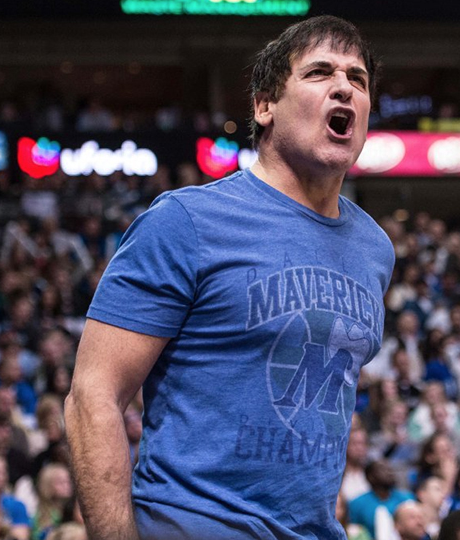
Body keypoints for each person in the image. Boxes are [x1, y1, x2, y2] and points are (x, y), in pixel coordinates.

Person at [65, 15, 394, 540]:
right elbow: (93, 395)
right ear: (264, 106)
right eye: (319, 73)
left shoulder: (375, 249)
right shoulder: (185, 221)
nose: (344, 88)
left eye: (358, 79)